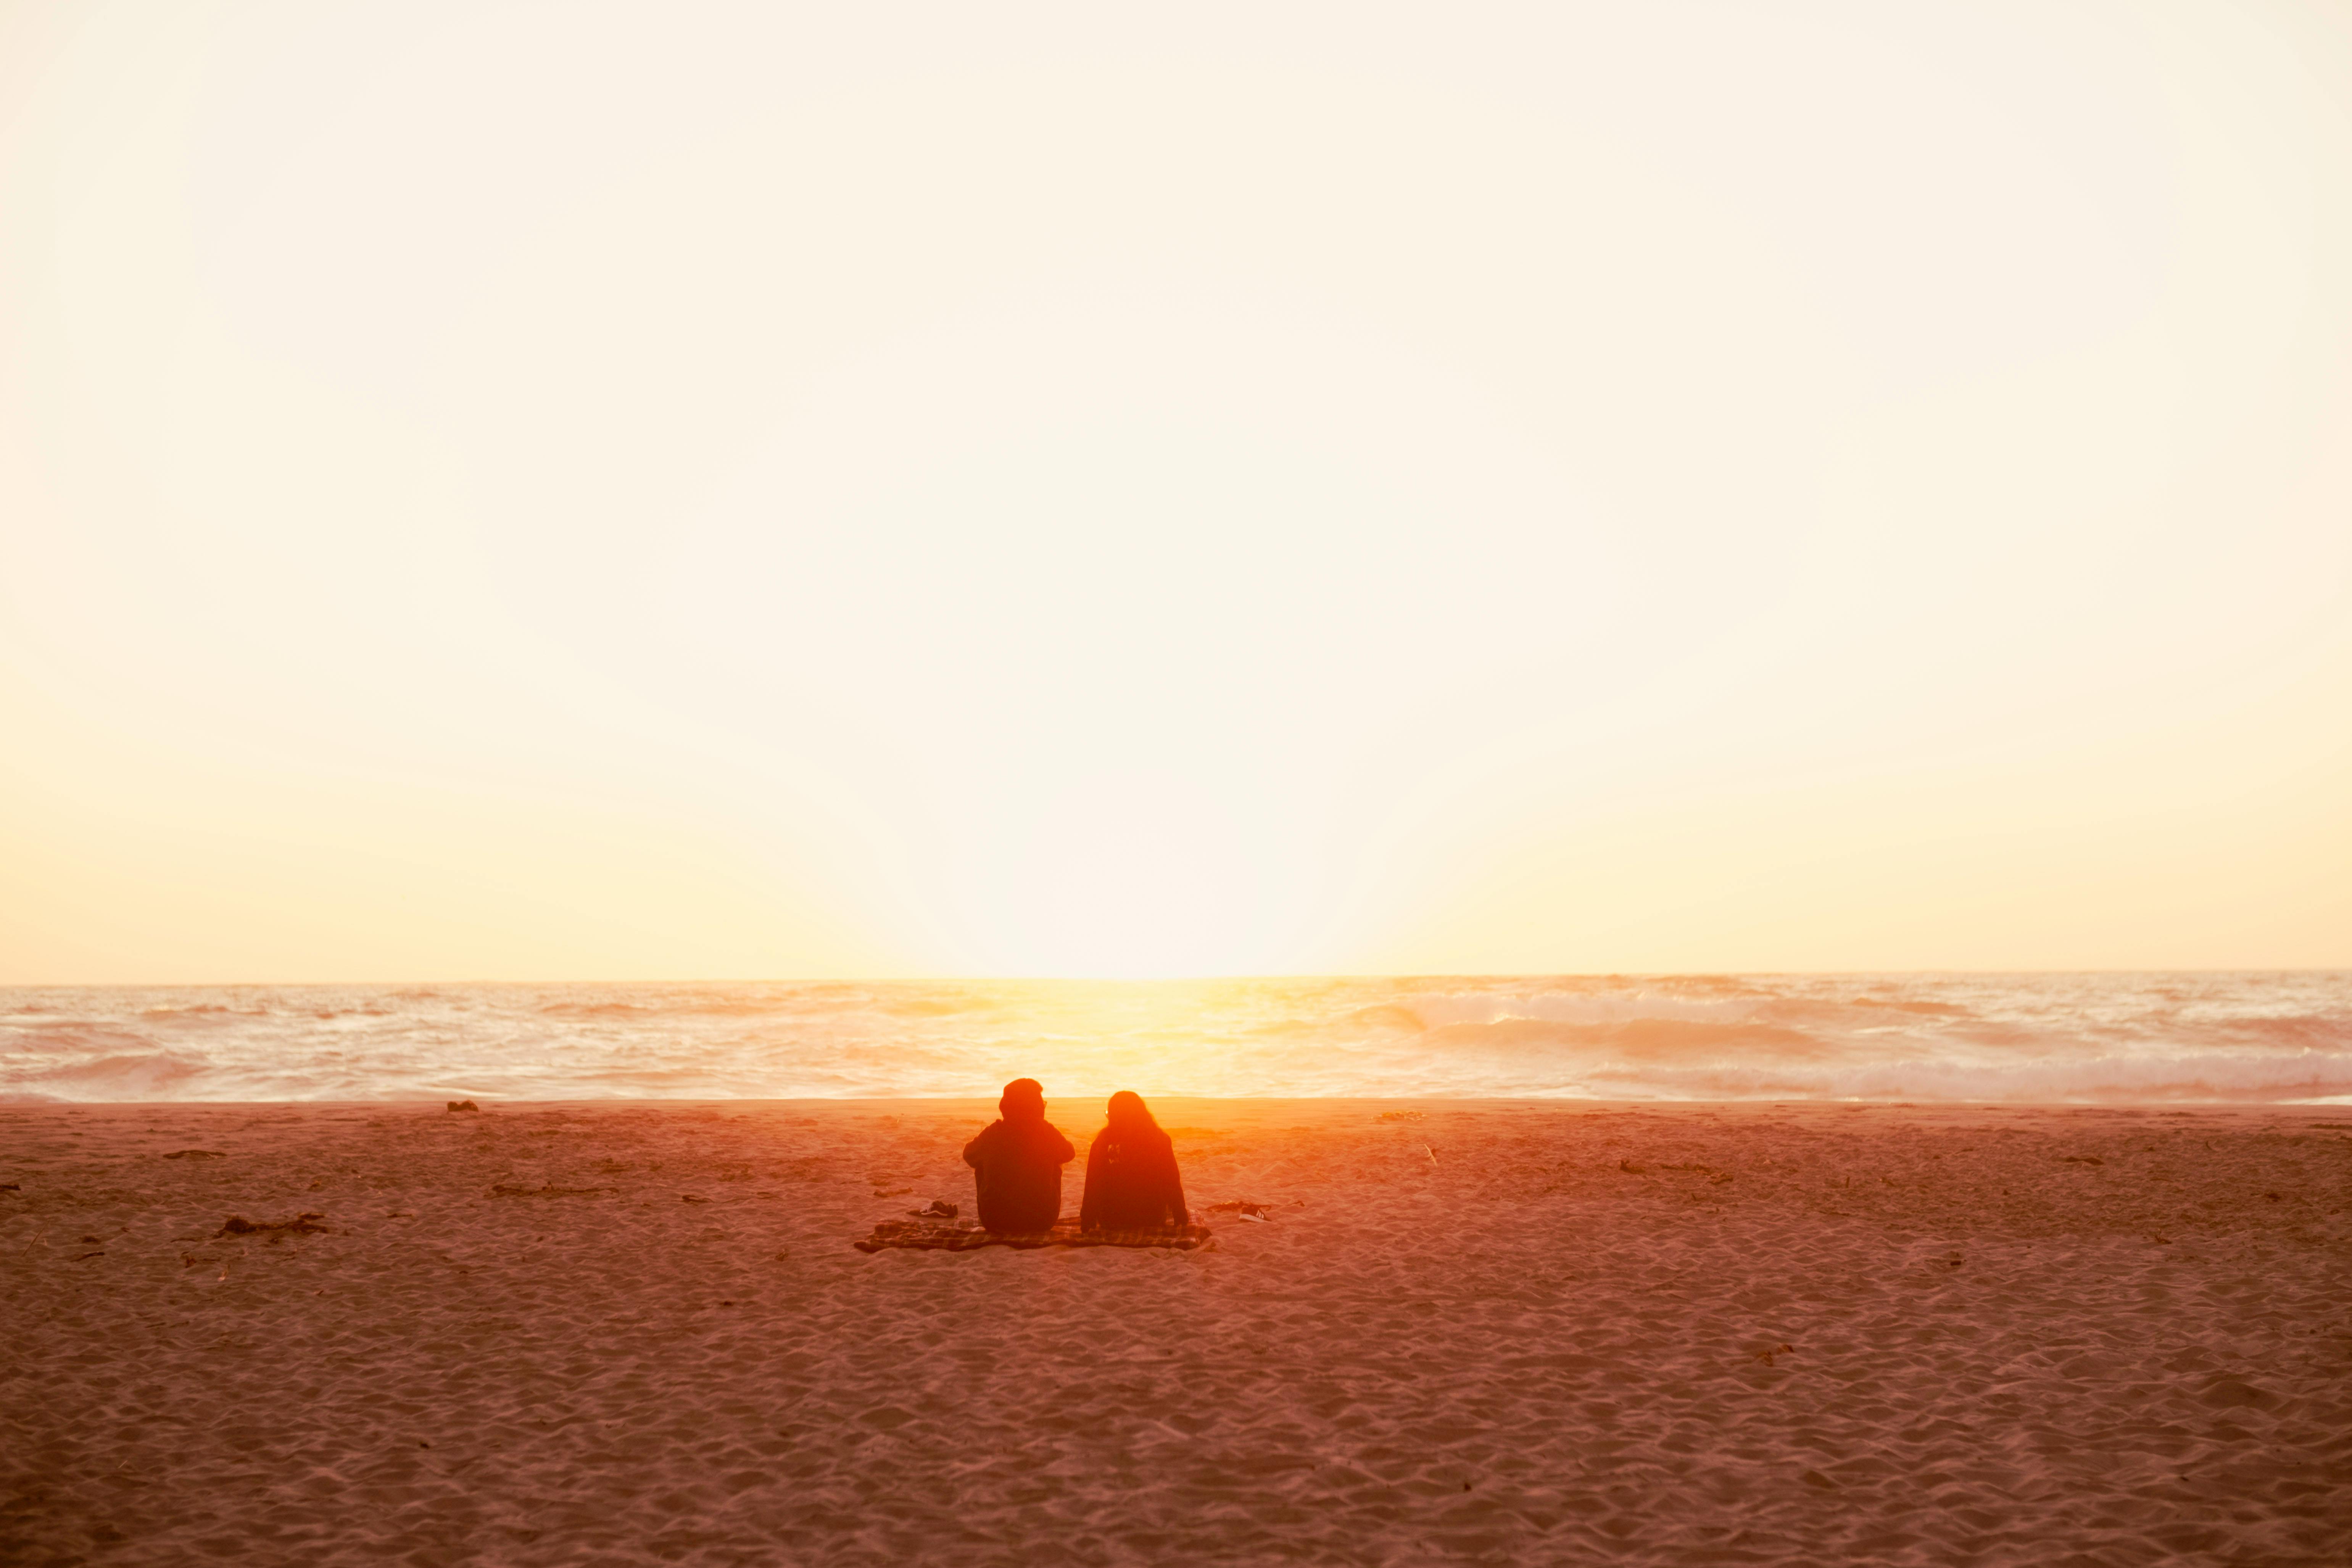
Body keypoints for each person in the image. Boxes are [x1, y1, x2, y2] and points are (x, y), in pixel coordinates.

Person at [962, 1078, 1075, 1232]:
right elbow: (1069, 1153)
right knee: (1057, 1160)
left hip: (995, 1222)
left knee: (981, 1160)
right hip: (1042, 1221)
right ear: (1035, 1106)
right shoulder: (1046, 1131)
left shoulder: (993, 1132)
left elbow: (969, 1155)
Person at [1079, 1091, 1189, 1232]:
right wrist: (1180, 1213)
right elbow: (1171, 1180)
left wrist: (1088, 1219)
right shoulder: (1159, 1139)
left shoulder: (1102, 1143)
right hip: (1152, 1217)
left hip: (1112, 1218)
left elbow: (1093, 1184)